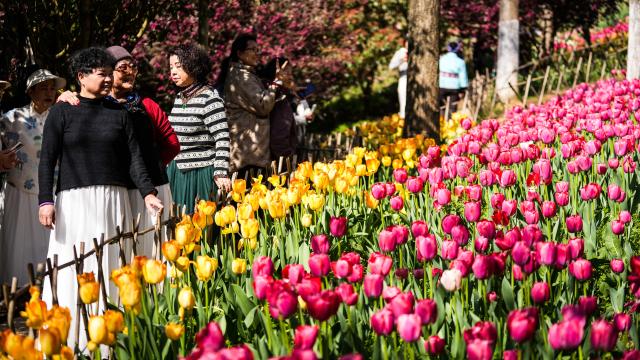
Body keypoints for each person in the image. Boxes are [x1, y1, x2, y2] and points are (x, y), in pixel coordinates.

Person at [38, 47, 163, 347]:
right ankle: (69, 338)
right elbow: (47, 159)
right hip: (74, 202)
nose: (109, 79)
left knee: (110, 261)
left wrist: (148, 194)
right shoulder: (62, 110)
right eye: (102, 74)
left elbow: (135, 160)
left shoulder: (119, 113)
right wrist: (45, 201)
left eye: (111, 74)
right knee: (74, 264)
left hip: (113, 199)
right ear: (81, 77)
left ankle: (110, 337)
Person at [57, 45, 180, 255]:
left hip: (151, 188)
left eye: (133, 67)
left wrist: (149, 165)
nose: (130, 72)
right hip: (116, 192)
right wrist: (64, 95)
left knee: (154, 249)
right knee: (123, 252)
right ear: (107, 71)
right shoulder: (95, 107)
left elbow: (171, 144)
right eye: (123, 67)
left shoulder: (148, 106)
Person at [0, 69, 65, 286]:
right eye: (43, 88)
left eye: (52, 88)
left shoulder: (61, 117)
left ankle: (48, 288)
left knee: (48, 243)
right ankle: (17, 290)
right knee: (18, 243)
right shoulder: (11, 119)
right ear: (30, 91)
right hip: (19, 189)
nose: (49, 93)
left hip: (51, 191)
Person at [167, 43, 231, 214]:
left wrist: (221, 172)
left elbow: (222, 138)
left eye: (178, 67)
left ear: (193, 67)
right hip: (178, 171)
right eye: (171, 66)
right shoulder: (179, 98)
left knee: (200, 225)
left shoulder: (209, 99)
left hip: (200, 173)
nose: (173, 72)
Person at [218, 34, 282, 179]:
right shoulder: (241, 77)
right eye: (252, 50)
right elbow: (263, 105)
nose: (257, 54)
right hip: (247, 156)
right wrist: (275, 84)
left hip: (252, 154)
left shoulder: (247, 74)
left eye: (258, 50)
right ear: (239, 53)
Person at [257, 57, 299, 161]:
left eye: (291, 73)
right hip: (275, 163)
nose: (291, 77)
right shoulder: (277, 97)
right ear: (275, 73)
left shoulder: (275, 94)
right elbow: (278, 137)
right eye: (287, 73)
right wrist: (287, 159)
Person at [439, 41, 469, 117]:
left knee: (441, 106)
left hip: (442, 85)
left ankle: (442, 121)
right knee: (452, 107)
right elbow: (463, 77)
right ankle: (450, 123)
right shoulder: (460, 62)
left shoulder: (442, 59)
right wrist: (463, 88)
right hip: (454, 88)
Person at [389, 39, 408, 119]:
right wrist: (401, 60)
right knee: (403, 100)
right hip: (404, 78)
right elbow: (391, 66)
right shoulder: (400, 53)